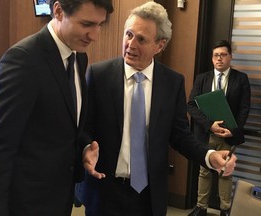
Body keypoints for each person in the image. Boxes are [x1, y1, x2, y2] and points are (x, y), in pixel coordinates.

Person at [80, 2, 237, 216]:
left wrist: (209, 156)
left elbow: (180, 135)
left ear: (160, 45)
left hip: (149, 195)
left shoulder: (172, 83)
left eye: (141, 39)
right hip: (105, 189)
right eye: (128, 34)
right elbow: (84, 126)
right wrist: (85, 148)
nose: (130, 45)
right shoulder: (98, 75)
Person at [0, 0, 113, 216]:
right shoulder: (23, 60)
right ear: (58, 11)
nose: (94, 35)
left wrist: (84, 146)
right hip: (24, 204)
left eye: (100, 25)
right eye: (86, 24)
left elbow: (63, 122)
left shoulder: (79, 57)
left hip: (59, 199)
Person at [187, 40, 251, 216]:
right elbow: (191, 105)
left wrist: (234, 129)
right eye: (216, 55)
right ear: (212, 58)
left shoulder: (241, 79)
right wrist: (210, 125)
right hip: (207, 133)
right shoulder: (202, 78)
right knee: (204, 170)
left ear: (230, 56)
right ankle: (201, 207)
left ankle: (224, 209)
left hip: (228, 134)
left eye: (223, 55)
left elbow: (244, 108)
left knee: (226, 172)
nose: (219, 59)